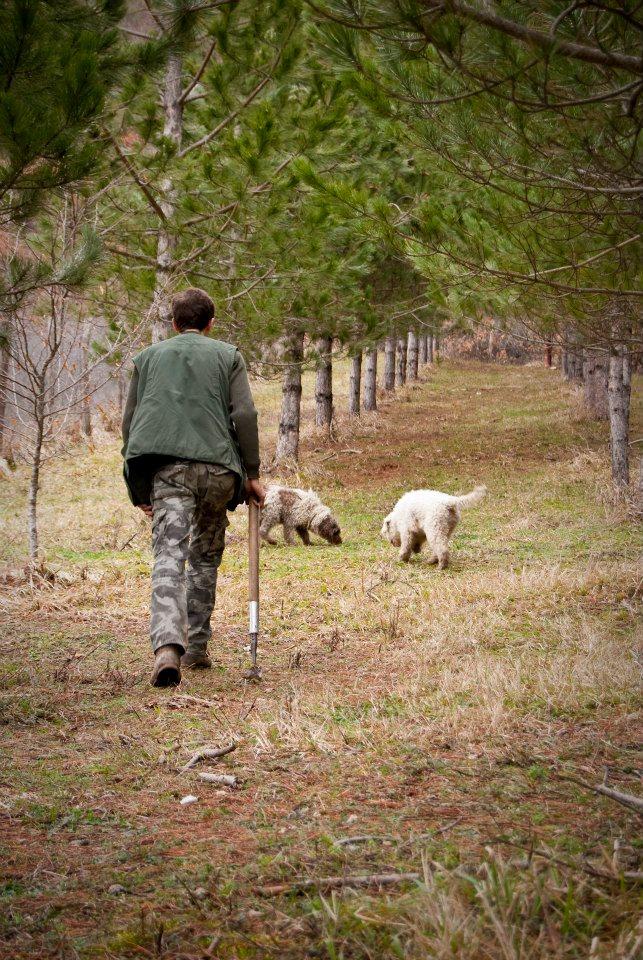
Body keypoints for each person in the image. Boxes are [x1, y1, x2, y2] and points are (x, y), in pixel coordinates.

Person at [121, 288, 266, 687]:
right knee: (204, 555)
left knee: (170, 556)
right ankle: (197, 645)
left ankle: (169, 647)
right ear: (210, 323)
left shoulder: (147, 358)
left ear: (174, 323)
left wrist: (139, 488)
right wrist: (252, 473)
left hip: (169, 471)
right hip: (219, 471)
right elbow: (245, 414)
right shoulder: (228, 355)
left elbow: (130, 425)